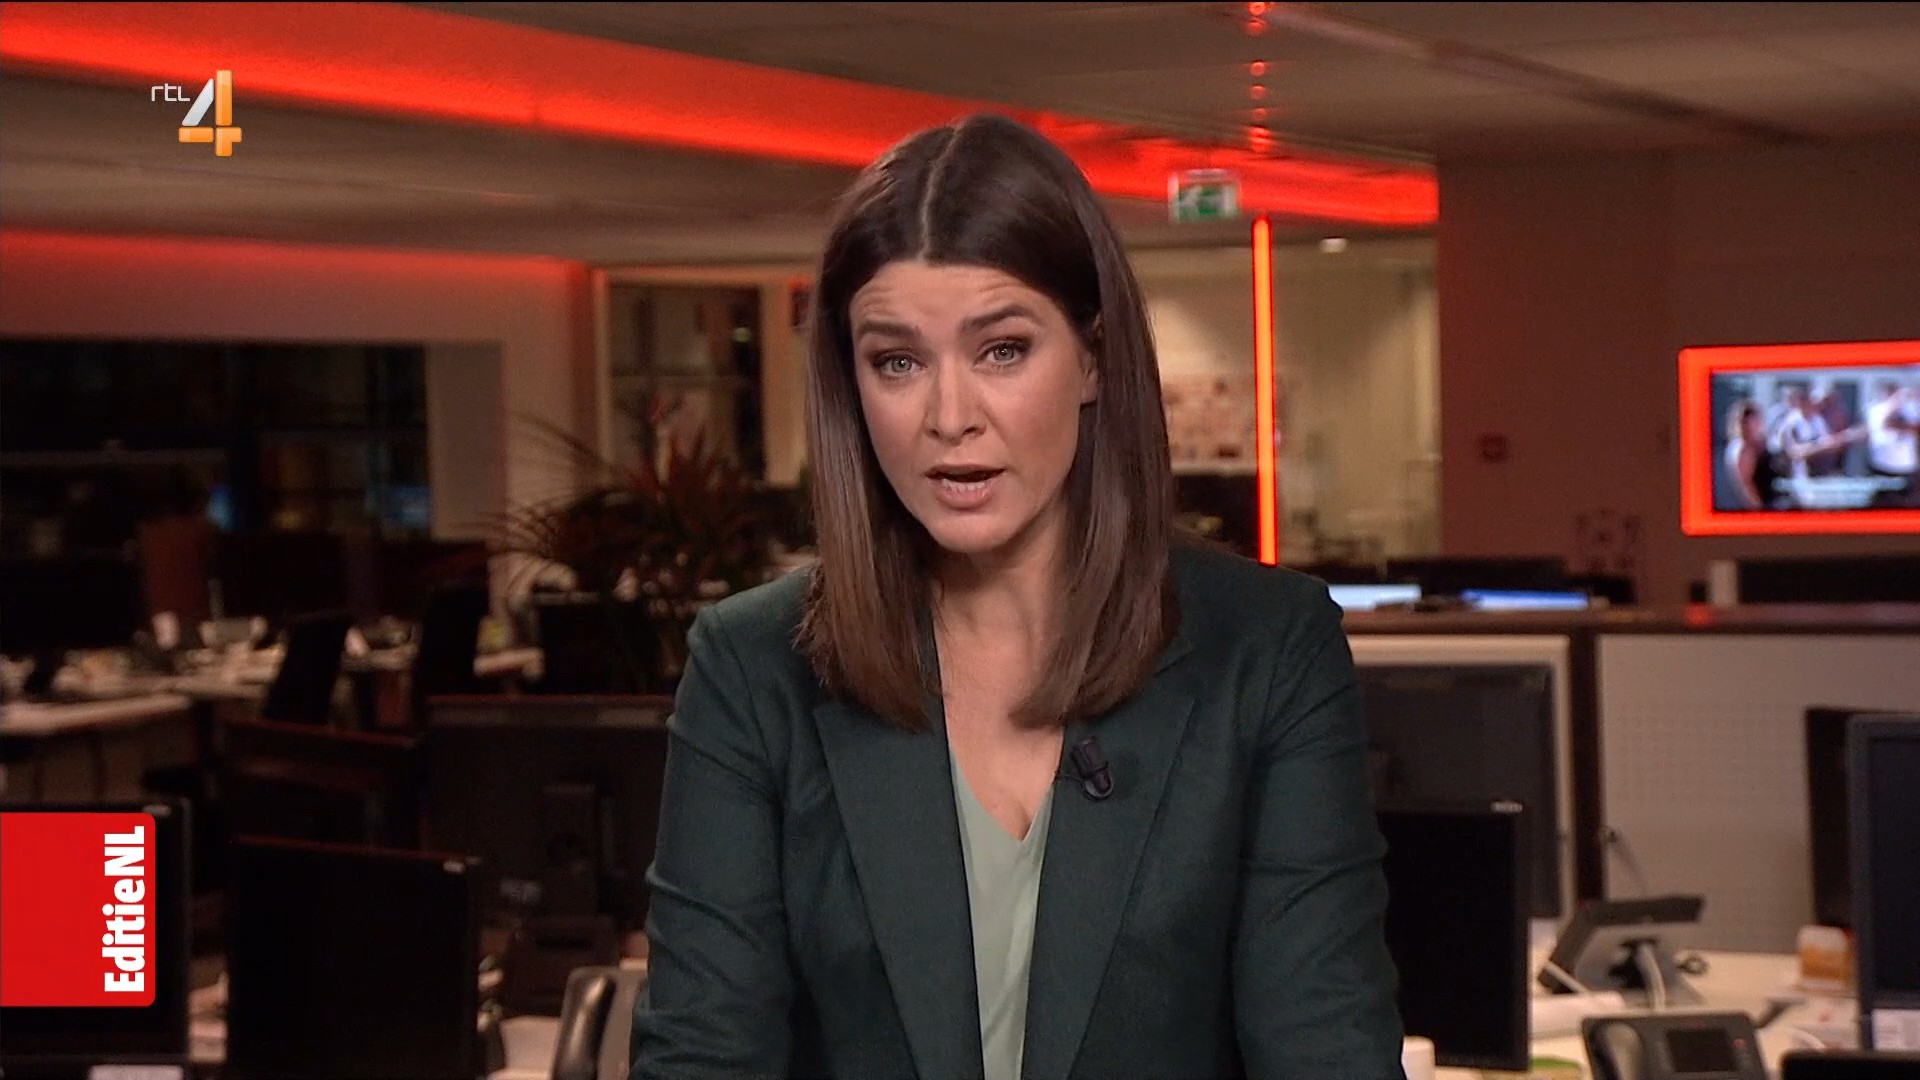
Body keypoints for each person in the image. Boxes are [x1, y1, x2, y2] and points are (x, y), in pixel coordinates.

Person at [629, 114, 1404, 1080]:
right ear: (851, 384)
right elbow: (702, 1057)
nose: (950, 417)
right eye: (898, 361)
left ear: (1093, 357)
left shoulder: (1268, 650)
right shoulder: (752, 670)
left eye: (1001, 350)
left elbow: (1328, 1053)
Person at [1865, 378, 1918, 507]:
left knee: (1908, 502)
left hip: (1906, 464)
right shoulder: (1877, 409)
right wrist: (1896, 402)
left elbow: (1915, 427)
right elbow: (1887, 423)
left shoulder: (1908, 409)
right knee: (1883, 502)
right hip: (1882, 464)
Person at [1723, 400, 1781, 510]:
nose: (1759, 422)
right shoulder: (1743, 448)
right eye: (1754, 419)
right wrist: (1758, 508)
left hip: (1773, 497)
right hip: (1761, 504)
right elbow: (1746, 484)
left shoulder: (1759, 442)